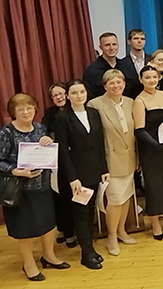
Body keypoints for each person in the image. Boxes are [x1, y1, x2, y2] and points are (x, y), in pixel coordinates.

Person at [1, 94, 65, 280]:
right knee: (25, 229)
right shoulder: (6, 133)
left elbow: (46, 153)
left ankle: (49, 256)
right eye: (20, 109)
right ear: (13, 112)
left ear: (35, 109)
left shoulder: (40, 128)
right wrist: (15, 170)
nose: (26, 112)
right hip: (20, 190)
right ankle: (28, 264)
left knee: (48, 224)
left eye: (29, 108)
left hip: (42, 186)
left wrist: (49, 142)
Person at [52, 81, 108, 269]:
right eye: (74, 93)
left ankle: (90, 248)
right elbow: (62, 150)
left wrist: (104, 169)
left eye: (82, 91)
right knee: (81, 214)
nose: (79, 95)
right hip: (76, 175)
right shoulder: (63, 118)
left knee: (90, 211)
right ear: (68, 96)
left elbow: (100, 143)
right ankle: (86, 253)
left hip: (94, 171)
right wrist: (72, 178)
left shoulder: (93, 113)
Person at [87, 69, 138, 256]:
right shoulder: (95, 105)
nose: (116, 86)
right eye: (111, 83)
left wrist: (138, 158)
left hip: (129, 157)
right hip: (111, 160)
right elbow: (94, 138)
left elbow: (135, 133)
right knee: (115, 200)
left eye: (119, 82)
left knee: (126, 197)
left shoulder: (131, 102)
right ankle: (111, 236)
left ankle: (122, 230)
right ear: (104, 85)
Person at [132, 67, 163, 241]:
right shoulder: (139, 101)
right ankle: (155, 224)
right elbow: (139, 130)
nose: (152, 80)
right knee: (154, 187)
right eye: (147, 77)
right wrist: (156, 145)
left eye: (154, 77)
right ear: (141, 80)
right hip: (150, 150)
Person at [41, 84, 72, 249]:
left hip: (74, 159)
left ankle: (72, 231)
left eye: (61, 93)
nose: (59, 97)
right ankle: (62, 229)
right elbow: (43, 132)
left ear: (67, 94)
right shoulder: (49, 113)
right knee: (58, 196)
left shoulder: (74, 109)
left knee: (71, 196)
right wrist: (46, 138)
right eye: (55, 95)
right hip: (55, 160)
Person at [83, 32, 141, 100]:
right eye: (107, 45)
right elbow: (90, 97)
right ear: (100, 47)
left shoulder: (127, 66)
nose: (111, 48)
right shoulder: (91, 71)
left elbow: (136, 90)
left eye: (114, 44)